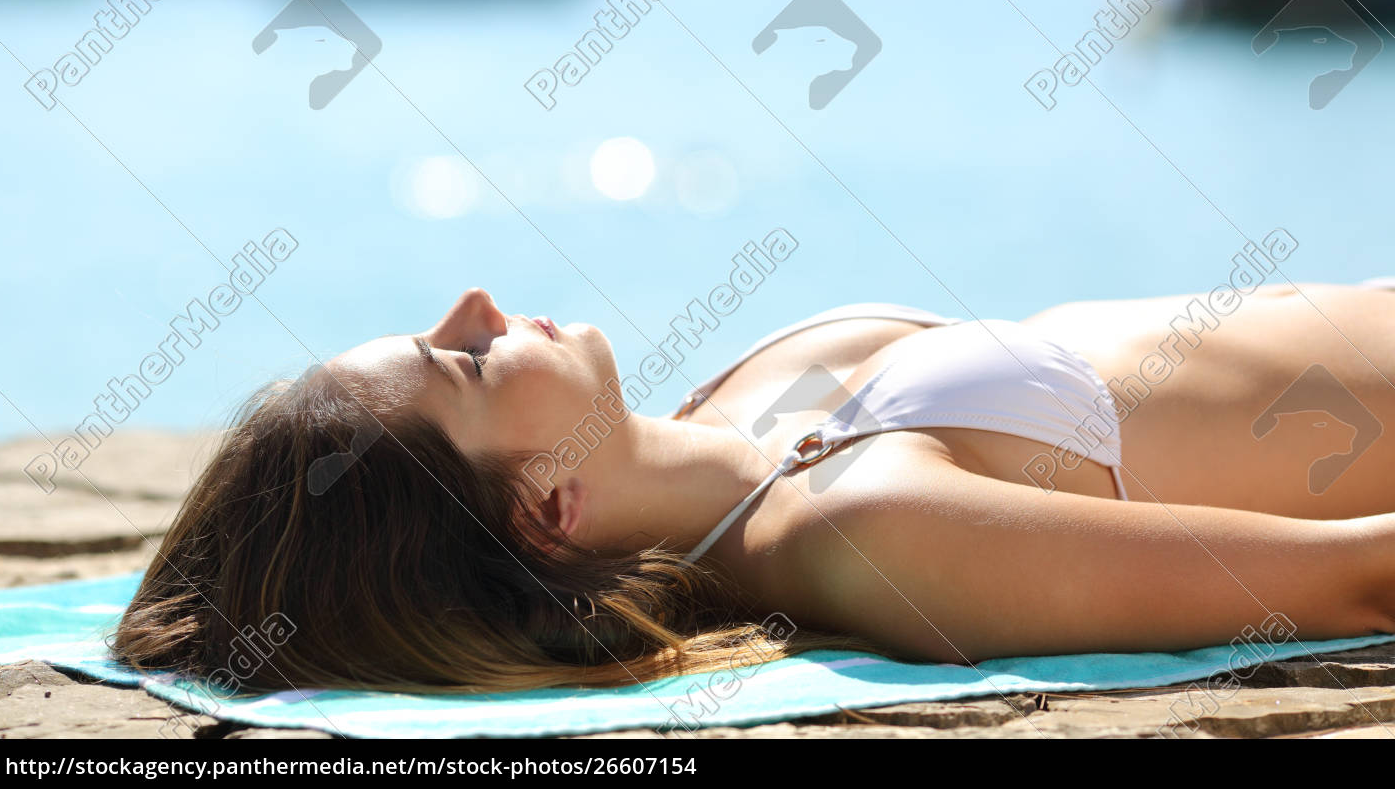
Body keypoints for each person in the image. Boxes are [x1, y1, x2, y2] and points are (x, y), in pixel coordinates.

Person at [114, 283, 1395, 692]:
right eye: (461, 360)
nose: (477, 303)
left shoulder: (732, 409)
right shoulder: (873, 534)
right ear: (541, 508)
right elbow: (1355, 571)